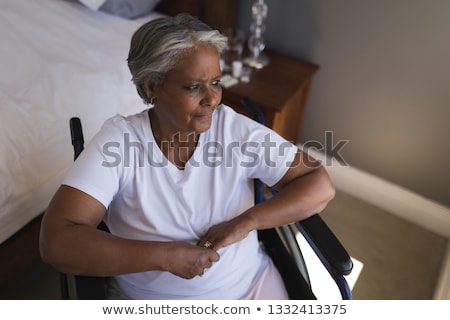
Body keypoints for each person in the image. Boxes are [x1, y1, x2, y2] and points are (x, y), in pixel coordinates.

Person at [39, 13, 335, 300]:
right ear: (151, 86)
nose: (212, 99)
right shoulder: (119, 141)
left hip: (251, 289)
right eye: (194, 87)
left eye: (216, 82)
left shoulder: (233, 129)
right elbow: (56, 242)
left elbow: (319, 184)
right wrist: (165, 256)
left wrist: (246, 222)